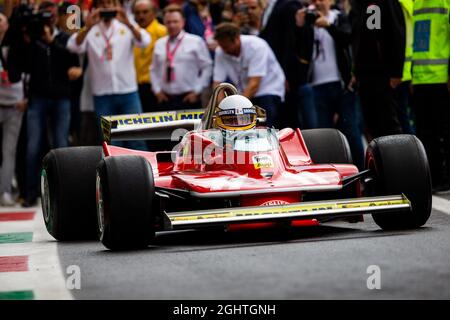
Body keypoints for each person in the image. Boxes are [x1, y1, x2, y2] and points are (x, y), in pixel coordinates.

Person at [67, 0, 150, 151]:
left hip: (128, 92)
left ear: (118, 6)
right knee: (110, 142)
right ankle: (116, 174)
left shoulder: (126, 24)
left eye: (111, 3)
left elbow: (145, 41)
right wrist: (88, 26)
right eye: (103, 4)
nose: (107, 7)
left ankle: (141, 173)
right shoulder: (90, 29)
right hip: (102, 95)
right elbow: (73, 46)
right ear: (96, 7)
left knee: (137, 138)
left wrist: (129, 23)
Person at [296, 0, 364, 169]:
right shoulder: (309, 21)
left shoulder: (339, 17)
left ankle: (361, 173)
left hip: (342, 83)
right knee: (323, 135)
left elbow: (347, 39)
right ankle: (331, 173)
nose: (318, 3)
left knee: (351, 131)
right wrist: (301, 26)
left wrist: (328, 25)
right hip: (317, 85)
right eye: (315, 0)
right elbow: (301, 50)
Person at [24, 16, 81, 207]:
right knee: (33, 146)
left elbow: (71, 62)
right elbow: (23, 66)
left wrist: (51, 42)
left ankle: (66, 190)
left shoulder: (65, 39)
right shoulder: (32, 43)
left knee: (61, 143)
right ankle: (30, 192)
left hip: (61, 97)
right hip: (38, 98)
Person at [351, 0, 405, 139]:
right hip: (364, 75)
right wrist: (356, 71)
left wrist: (396, 71)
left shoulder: (386, 2)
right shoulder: (358, 5)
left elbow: (397, 32)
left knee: (388, 124)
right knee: (371, 126)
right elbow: (357, 38)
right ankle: (378, 159)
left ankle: (397, 159)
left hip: (382, 74)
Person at [213, 22, 285, 128]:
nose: (224, 50)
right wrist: (221, 109)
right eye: (222, 47)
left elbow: (254, 84)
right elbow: (217, 85)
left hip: (268, 90)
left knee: (264, 128)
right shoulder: (221, 51)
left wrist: (235, 106)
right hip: (245, 94)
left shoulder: (257, 46)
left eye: (227, 47)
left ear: (237, 39)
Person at [411, 0, 450, 192]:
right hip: (419, 79)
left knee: (442, 131)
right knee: (427, 134)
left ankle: (444, 177)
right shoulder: (415, 3)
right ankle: (435, 178)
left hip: (440, 78)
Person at [150, 4, 212, 110]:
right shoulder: (159, 43)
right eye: (168, 22)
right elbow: (153, 69)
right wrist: (157, 91)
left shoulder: (195, 41)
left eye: (175, 22)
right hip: (165, 99)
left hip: (188, 98)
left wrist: (197, 90)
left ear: (183, 22)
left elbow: (207, 67)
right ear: (164, 23)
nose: (172, 25)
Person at [0, 13, 27, 206]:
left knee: (9, 151)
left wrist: (27, 99)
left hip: (15, 105)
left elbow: (30, 73)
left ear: (8, 24)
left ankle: (5, 191)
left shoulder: (18, 48)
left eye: (0, 19)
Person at [133, 0, 167, 112]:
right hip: (135, 85)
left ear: (154, 13)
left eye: (145, 12)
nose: (141, 16)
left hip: (155, 86)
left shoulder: (162, 31)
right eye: (137, 13)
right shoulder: (132, 32)